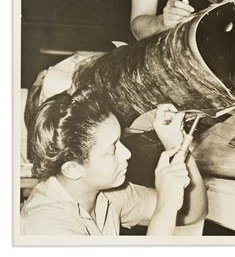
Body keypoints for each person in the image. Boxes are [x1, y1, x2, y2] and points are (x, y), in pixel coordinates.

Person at [21, 87, 208, 236]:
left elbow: (191, 214)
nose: (127, 153)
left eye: (120, 141)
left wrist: (177, 145)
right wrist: (166, 205)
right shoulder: (46, 226)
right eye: (112, 148)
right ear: (72, 169)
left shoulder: (107, 193)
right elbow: (169, 209)